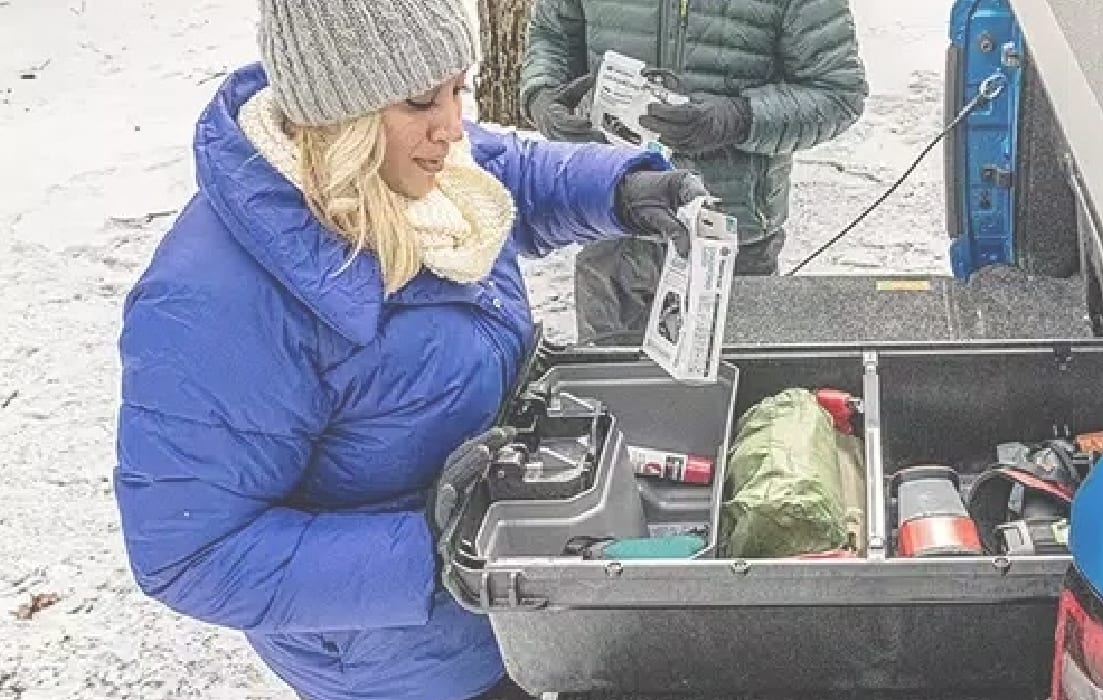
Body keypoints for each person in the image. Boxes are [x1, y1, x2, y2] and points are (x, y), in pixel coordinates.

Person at [110, 0, 709, 698]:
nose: (452, 125)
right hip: (405, 663)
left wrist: (619, 188)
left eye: (459, 89)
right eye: (423, 100)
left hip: (514, 605)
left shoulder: (417, 165)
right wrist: (435, 549)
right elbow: (191, 554)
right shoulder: (214, 304)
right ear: (339, 118)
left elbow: (500, 172)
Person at [518, 0, 870, 343]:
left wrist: (738, 118)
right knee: (613, 393)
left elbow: (837, 94)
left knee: (739, 395)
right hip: (613, 231)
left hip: (731, 240)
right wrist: (544, 99)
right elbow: (552, 39)